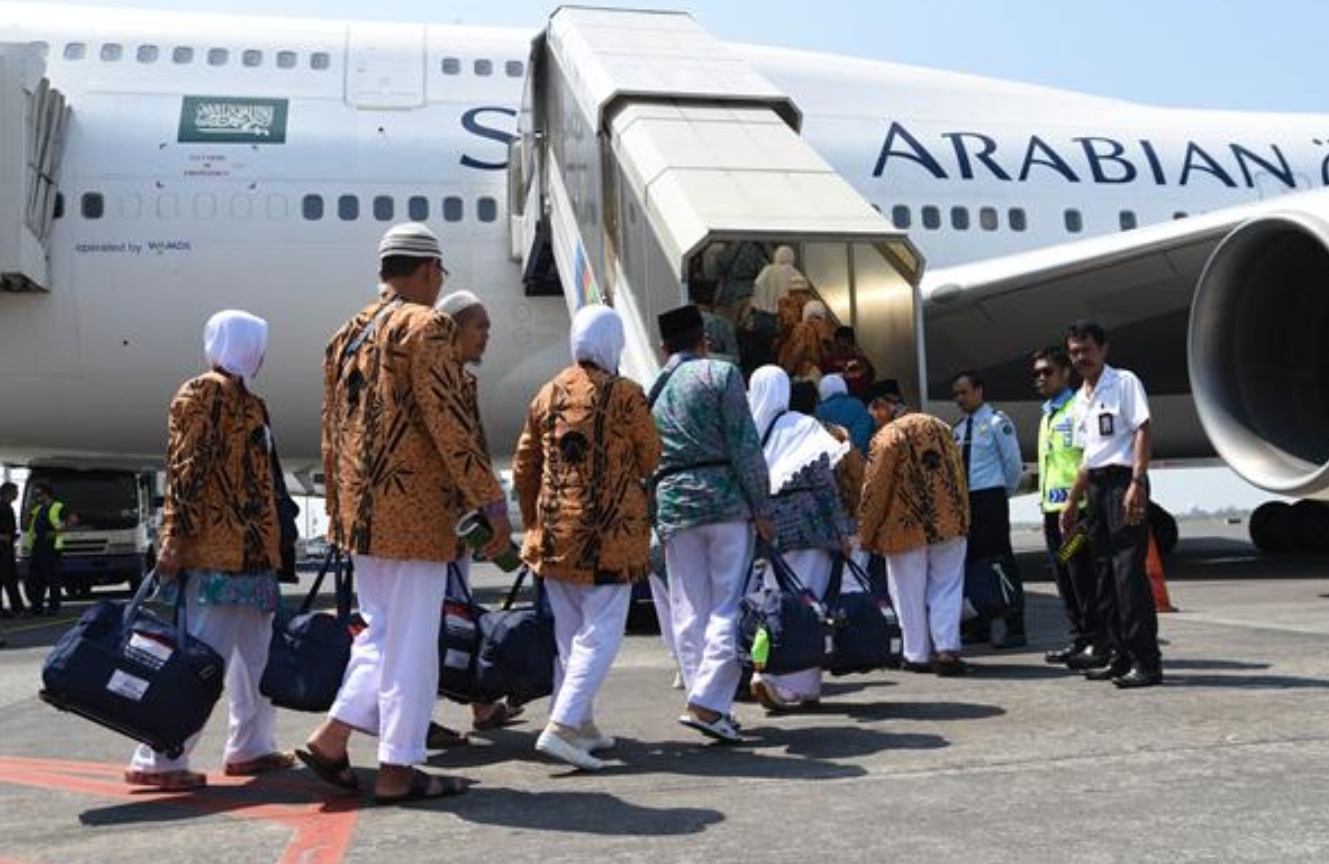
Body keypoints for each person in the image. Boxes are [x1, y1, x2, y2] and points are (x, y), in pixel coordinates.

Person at [299, 223, 512, 804]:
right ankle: (399, 768)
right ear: (427, 271)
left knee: (383, 634)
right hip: (414, 514)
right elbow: (450, 424)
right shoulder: (428, 325)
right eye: (440, 273)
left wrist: (342, 510)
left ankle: (332, 738)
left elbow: (332, 429)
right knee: (414, 645)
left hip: (360, 514)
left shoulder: (346, 333)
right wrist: (487, 500)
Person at [123, 310, 293, 791]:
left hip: (256, 555)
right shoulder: (199, 395)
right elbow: (186, 472)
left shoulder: (253, 403)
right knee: (202, 658)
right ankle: (157, 758)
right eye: (257, 343)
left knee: (256, 658)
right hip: (215, 551)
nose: (262, 353)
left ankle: (250, 746)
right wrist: (174, 537)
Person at [513, 305, 661, 770]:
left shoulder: (547, 393)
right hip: (608, 538)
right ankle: (560, 727)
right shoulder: (626, 395)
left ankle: (582, 725)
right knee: (599, 636)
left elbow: (524, 465)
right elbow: (650, 458)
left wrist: (536, 518)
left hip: (555, 536)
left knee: (569, 636)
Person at [651, 304, 774, 743]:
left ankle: (708, 704)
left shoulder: (656, 387)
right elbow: (745, 447)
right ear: (704, 340)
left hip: (674, 504)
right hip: (723, 500)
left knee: (688, 609)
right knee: (729, 604)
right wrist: (762, 507)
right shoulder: (721, 375)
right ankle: (707, 702)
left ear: (663, 346)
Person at [424, 289, 525, 750]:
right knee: (431, 623)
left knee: (457, 612)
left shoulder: (460, 380)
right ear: (452, 330)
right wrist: (495, 510)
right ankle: (419, 717)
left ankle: (481, 704)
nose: (486, 335)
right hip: (437, 523)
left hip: (460, 521)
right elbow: (461, 453)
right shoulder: (439, 381)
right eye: (479, 326)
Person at [1060, 320, 1163, 688]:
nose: (1080, 358)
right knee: (1102, 574)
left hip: (1123, 482)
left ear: (1103, 349)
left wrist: (1137, 480)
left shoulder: (1124, 383)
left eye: (1087, 349)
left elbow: (1143, 429)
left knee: (1127, 575)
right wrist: (1073, 501)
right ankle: (1118, 655)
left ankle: (1146, 661)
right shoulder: (1079, 399)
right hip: (1096, 488)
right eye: (1074, 352)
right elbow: (1088, 457)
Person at [746, 366, 851, 711]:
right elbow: (825, 483)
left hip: (771, 532)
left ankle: (770, 672)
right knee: (809, 608)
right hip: (811, 527)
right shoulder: (802, 426)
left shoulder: (748, 431)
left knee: (775, 605)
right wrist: (841, 530)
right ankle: (794, 686)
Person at [858, 394, 970, 676]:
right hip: (949, 519)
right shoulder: (942, 427)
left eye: (873, 412)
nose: (872, 419)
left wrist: (866, 532)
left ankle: (916, 653)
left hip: (904, 526)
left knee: (907, 591)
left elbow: (875, 488)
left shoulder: (887, 436)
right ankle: (947, 649)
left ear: (883, 406)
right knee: (947, 586)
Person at [1031, 346, 1104, 665]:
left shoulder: (1077, 408)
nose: (1040, 378)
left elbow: (1087, 459)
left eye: (1047, 372)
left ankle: (1096, 641)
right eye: (1036, 374)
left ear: (1066, 373)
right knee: (1064, 578)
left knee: (1081, 576)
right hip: (1053, 513)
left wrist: (1073, 502)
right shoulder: (1048, 414)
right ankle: (1078, 639)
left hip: (1076, 513)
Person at [951, 370, 1025, 648]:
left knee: (1001, 562)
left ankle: (1015, 625)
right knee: (971, 563)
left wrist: (1002, 493)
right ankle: (978, 623)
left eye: (964, 392)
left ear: (979, 391)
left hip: (990, 499)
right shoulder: (957, 430)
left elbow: (1013, 465)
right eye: (956, 394)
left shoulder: (997, 422)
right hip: (966, 502)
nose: (959, 398)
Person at [23, 482, 68, 616]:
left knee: (52, 579)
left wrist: (54, 533)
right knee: (35, 579)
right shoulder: (37, 508)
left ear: (46, 494)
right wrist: (29, 512)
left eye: (39, 494)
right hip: (37, 548)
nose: (37, 497)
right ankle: (37, 607)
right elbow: (27, 525)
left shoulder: (58, 506)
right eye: (36, 495)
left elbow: (73, 520)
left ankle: (54, 607)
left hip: (51, 549)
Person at [816, 373, 875, 456]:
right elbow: (866, 429)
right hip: (861, 456)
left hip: (836, 461)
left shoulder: (819, 411)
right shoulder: (857, 404)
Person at [778, 299, 835, 380]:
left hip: (801, 371)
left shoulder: (800, 328)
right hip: (818, 373)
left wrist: (786, 371)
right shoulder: (827, 329)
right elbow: (828, 355)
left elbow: (798, 351)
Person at [689, 278, 740, 366]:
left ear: (691, 300)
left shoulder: (685, 323)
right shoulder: (725, 324)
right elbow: (735, 359)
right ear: (715, 299)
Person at [819, 326, 876, 400]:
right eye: (843, 341)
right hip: (849, 400)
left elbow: (871, 375)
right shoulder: (829, 359)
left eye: (847, 341)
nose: (844, 344)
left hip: (854, 399)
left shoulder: (859, 357)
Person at [0, 481, 23, 619]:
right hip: (2, 551)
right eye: (16, 492)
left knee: (9, 579)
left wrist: (14, 536)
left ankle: (15, 608)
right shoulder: (2, 507)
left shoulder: (7, 507)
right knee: (9, 579)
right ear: (8, 492)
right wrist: (4, 537)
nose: (17, 494)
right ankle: (17, 608)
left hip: (6, 549)